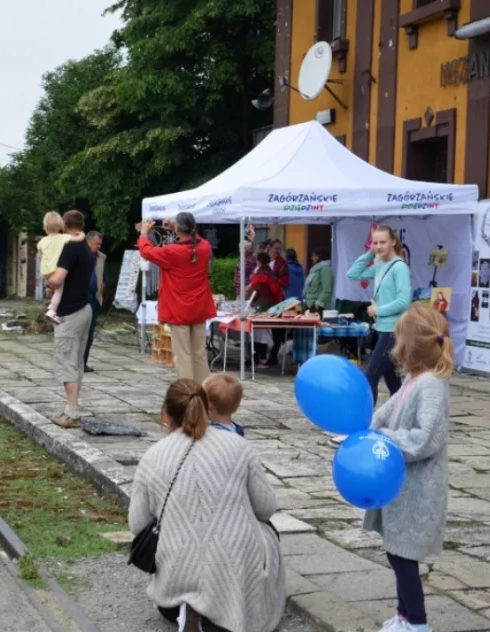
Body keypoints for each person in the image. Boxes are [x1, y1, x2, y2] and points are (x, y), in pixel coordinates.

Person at [129, 379, 285, 632]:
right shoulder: (239, 446)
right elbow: (266, 507)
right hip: (234, 580)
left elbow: (137, 525)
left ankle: (189, 605)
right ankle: (224, 608)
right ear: (206, 408)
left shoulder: (152, 457)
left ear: (166, 416)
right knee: (266, 531)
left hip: (173, 584)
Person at [366, 304, 452, 632]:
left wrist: (384, 438)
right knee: (397, 552)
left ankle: (417, 623)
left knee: (403, 557)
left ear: (408, 349)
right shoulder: (415, 380)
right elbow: (387, 410)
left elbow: (426, 439)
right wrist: (367, 428)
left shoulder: (431, 385)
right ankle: (403, 615)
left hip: (418, 490)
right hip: (402, 488)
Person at [334, 226, 412, 446]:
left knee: (370, 376)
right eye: (374, 243)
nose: (378, 247)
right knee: (393, 380)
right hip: (383, 329)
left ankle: (361, 428)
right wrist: (370, 254)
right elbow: (353, 273)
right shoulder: (379, 264)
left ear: (393, 242)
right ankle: (405, 422)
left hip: (394, 330)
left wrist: (378, 311)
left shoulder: (399, 268)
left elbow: (403, 301)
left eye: (382, 243)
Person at [137, 212, 216, 385]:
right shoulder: (204, 247)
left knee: (183, 354)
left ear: (179, 228)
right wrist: (178, 229)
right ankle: (204, 388)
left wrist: (144, 233)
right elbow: (199, 240)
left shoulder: (172, 251)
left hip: (179, 308)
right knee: (199, 353)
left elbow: (146, 251)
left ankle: (188, 391)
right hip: (199, 306)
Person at [45, 210, 95, 429]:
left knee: (67, 360)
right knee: (76, 362)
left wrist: (48, 282)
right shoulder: (86, 248)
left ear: (65, 224)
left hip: (70, 312)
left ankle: (71, 411)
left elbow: (58, 279)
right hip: (85, 308)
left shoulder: (71, 248)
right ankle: (72, 408)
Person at [37, 211, 84, 324]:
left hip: (46, 271)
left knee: (53, 290)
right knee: (59, 292)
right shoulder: (65, 238)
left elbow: (40, 256)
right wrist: (81, 233)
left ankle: (50, 307)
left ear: (45, 227)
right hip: (57, 270)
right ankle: (52, 311)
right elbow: (79, 239)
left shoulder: (42, 241)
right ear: (61, 225)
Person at [83, 231, 106, 373]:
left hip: (94, 300)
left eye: (100, 244)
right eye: (97, 244)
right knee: (78, 333)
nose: (99, 246)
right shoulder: (80, 255)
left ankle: (83, 362)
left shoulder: (101, 258)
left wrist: (100, 292)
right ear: (89, 242)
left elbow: (103, 277)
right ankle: (74, 363)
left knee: (89, 334)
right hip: (80, 299)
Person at [303, 247, 334, 313]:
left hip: (318, 307)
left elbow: (327, 290)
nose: (312, 258)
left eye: (313, 256)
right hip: (309, 304)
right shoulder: (314, 270)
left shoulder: (325, 269)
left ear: (319, 257)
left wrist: (318, 303)